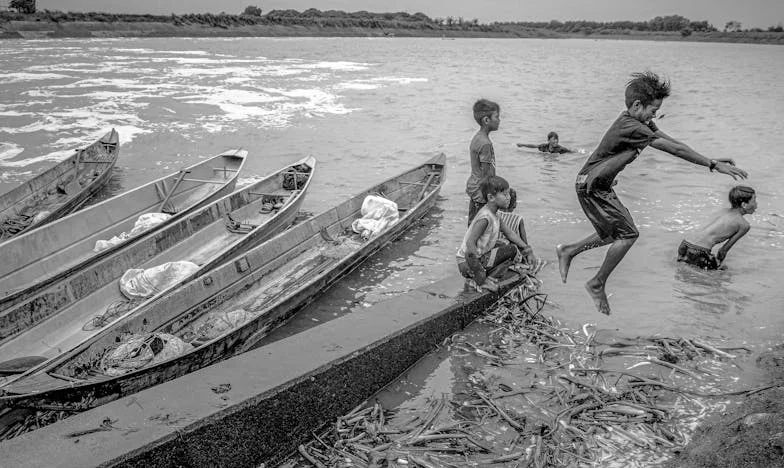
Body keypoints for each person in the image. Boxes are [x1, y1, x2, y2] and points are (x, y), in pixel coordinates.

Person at [555, 71, 748, 315]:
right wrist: (710, 165)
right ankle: (597, 282)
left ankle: (569, 251)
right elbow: (672, 149)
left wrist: (708, 159)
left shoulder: (640, 123)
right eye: (653, 110)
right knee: (628, 235)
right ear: (637, 105)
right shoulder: (631, 126)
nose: (654, 115)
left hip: (595, 184)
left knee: (613, 235)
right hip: (593, 186)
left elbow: (673, 142)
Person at [457, 176, 530, 292]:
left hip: (477, 259)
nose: (509, 198)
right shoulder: (485, 218)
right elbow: (470, 243)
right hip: (468, 263)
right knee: (511, 250)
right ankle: (481, 281)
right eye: (505, 195)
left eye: (508, 194)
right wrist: (478, 272)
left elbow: (510, 233)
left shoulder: (496, 215)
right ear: (491, 197)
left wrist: (527, 249)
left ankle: (488, 277)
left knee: (503, 244)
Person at [678, 186, 756, 270]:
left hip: (684, 244)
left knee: (684, 270)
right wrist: (718, 264)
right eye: (754, 200)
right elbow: (723, 251)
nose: (756, 204)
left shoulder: (722, 211)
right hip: (700, 251)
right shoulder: (744, 225)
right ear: (744, 204)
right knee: (722, 274)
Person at [466, 99, 500, 225]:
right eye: (496, 117)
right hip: (481, 190)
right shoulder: (485, 143)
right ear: (486, 120)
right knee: (480, 224)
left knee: (474, 222)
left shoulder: (478, 137)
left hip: (476, 187)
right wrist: (493, 194)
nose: (499, 120)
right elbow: (487, 175)